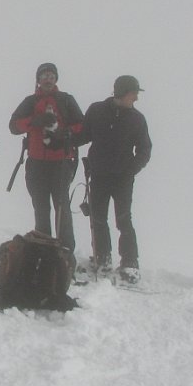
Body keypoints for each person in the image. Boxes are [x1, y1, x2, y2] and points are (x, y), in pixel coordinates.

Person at [74, 75, 152, 284]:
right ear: (123, 92)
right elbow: (83, 136)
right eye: (134, 93)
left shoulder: (137, 119)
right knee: (98, 218)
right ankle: (103, 259)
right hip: (98, 174)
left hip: (123, 178)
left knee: (123, 219)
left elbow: (145, 149)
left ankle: (130, 264)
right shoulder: (97, 110)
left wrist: (132, 169)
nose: (136, 98)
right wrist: (60, 139)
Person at [9, 63, 84, 262]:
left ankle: (65, 255)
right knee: (41, 206)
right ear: (38, 80)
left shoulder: (66, 100)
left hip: (61, 162)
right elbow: (13, 126)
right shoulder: (31, 101)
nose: (48, 79)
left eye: (51, 75)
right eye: (44, 76)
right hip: (37, 163)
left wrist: (64, 133)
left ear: (56, 79)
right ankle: (43, 251)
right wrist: (34, 121)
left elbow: (82, 126)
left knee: (62, 209)